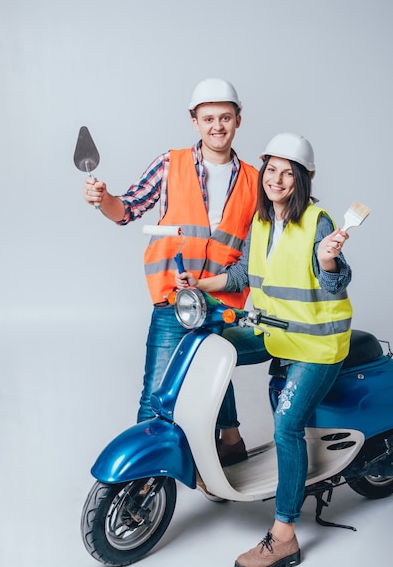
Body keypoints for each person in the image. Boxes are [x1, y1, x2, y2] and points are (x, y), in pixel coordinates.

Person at [175, 132, 353, 567]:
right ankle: (228, 446)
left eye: (286, 172)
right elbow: (240, 276)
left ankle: (285, 536)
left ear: (302, 179)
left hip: (317, 343)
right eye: (271, 169)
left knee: (287, 425)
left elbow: (335, 283)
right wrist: (200, 285)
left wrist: (329, 260)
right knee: (207, 348)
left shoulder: (318, 221)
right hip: (276, 334)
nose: (276, 178)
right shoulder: (260, 222)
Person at [83, 78, 262, 466]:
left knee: (214, 368)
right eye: (209, 117)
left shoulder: (255, 180)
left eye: (226, 117)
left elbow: (259, 247)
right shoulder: (170, 163)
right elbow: (126, 209)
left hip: (220, 299)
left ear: (238, 120)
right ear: (194, 121)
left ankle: (229, 440)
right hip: (174, 297)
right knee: (157, 392)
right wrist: (103, 200)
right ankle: (142, 477)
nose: (218, 125)